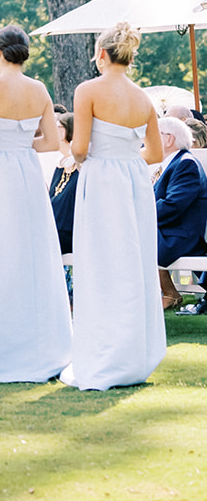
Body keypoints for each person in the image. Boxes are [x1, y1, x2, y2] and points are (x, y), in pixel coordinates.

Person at [0, 24, 71, 384]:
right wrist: (20, 143)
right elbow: (52, 142)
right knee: (31, 252)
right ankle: (41, 343)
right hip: (24, 172)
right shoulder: (38, 88)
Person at [63, 21, 165, 391]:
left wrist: (100, 156)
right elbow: (155, 152)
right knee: (132, 262)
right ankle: (133, 355)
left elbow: (79, 149)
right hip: (134, 182)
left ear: (101, 54)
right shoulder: (144, 99)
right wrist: (126, 154)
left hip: (103, 180)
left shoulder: (88, 89)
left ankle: (105, 353)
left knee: (102, 262)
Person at [155, 115, 207, 309]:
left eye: (154, 135)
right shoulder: (171, 163)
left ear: (169, 139)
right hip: (168, 229)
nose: (148, 140)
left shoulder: (186, 164)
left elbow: (173, 206)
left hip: (181, 235)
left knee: (130, 238)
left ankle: (168, 293)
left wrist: (140, 215)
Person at [49, 112, 78, 258]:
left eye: (58, 126)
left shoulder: (80, 166)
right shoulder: (60, 166)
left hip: (69, 235)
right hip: (53, 231)